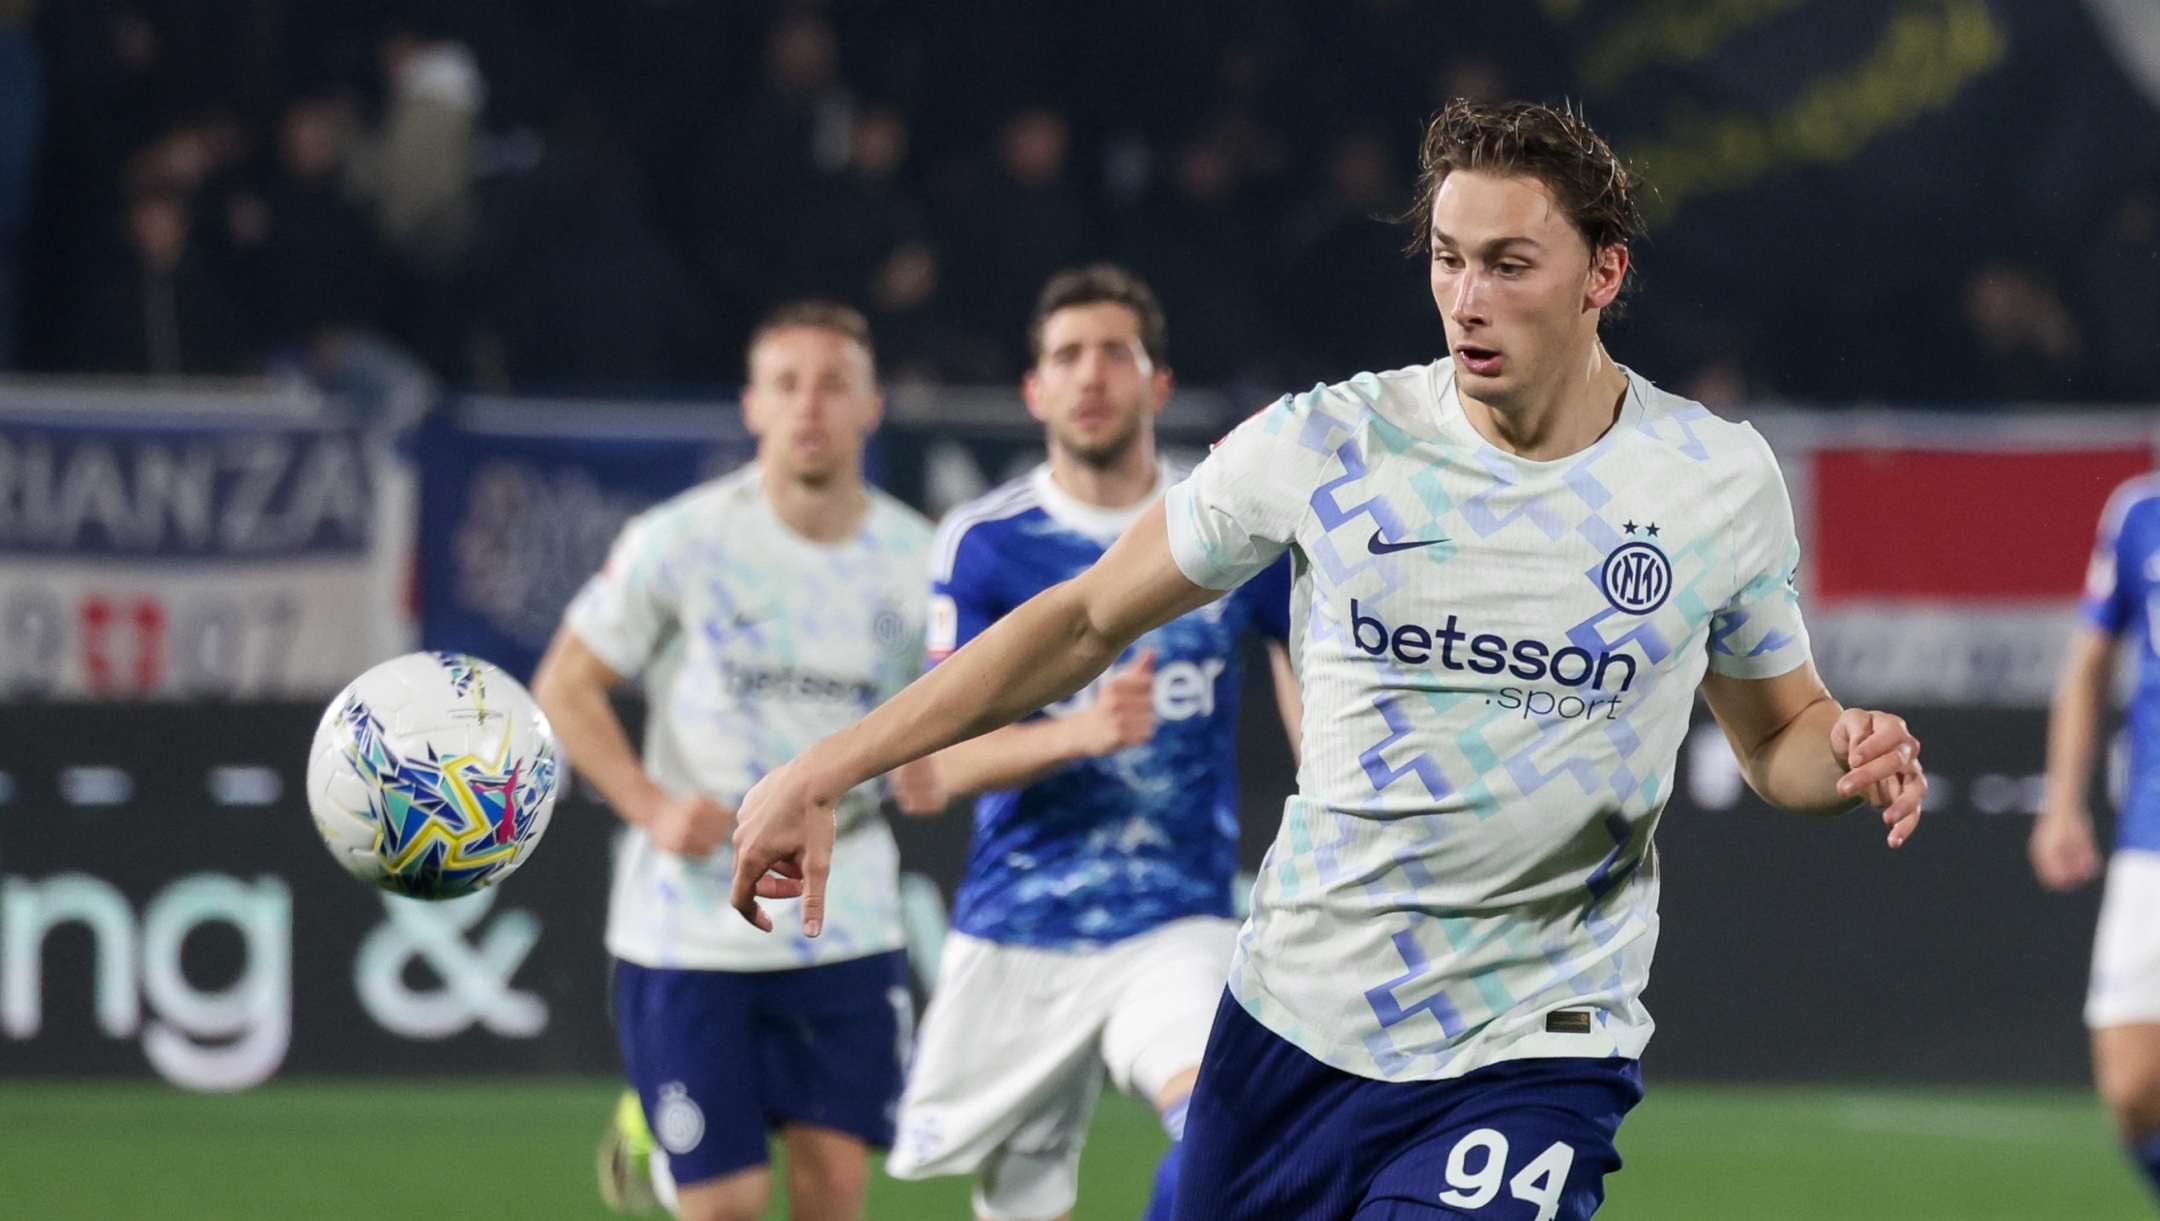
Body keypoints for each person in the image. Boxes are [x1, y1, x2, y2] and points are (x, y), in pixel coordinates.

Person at [727, 101, 1932, 1220]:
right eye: (1449, 258)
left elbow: (1779, 733)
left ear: (1601, 277)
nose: (1468, 297)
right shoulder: (1329, 446)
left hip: (1533, 1046)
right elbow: (1086, 619)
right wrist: (829, 766)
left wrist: (1847, 750)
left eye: (1510, 264)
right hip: (1294, 1024)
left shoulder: (1712, 483)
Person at [882, 265, 1299, 1221]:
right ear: (1035, 390)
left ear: (1156, 384)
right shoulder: (987, 543)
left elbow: (1306, 692)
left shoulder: (1221, 524)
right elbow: (935, 764)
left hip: (1175, 915)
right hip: (1019, 924)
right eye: (1067, 355)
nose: (1092, 374)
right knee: (1018, 1203)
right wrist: (1081, 733)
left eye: (1117, 352)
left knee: (1224, 1139)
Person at [531, 301, 937, 1221]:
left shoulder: (918, 559)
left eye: (835, 384)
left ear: (873, 405)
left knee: (831, 1195)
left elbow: (956, 702)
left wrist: (931, 761)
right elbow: (564, 684)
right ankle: (663, 1125)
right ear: (752, 405)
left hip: (847, 908)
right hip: (689, 913)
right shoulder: (681, 540)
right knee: (728, 1208)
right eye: (786, 384)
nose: (810, 407)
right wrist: (649, 805)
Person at [2032, 472, 2160, 1203]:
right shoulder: (2139, 513)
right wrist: (2061, 803)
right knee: (2133, 1084)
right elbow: (2088, 663)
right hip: (2151, 834)